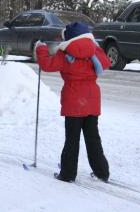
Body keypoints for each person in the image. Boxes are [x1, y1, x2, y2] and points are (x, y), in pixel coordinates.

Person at [35, 22, 111, 182]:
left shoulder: (65, 53)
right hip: (92, 101)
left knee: (72, 139)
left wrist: (41, 48)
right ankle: (102, 172)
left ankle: (68, 174)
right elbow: (106, 63)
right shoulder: (94, 50)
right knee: (93, 138)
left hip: (73, 101)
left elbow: (47, 65)